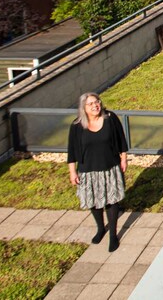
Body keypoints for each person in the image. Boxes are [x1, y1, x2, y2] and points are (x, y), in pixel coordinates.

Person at [67, 92, 128, 252]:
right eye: (91, 104)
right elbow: (72, 150)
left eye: (97, 102)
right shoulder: (77, 126)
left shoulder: (110, 118)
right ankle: (101, 228)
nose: (95, 106)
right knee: (93, 201)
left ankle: (113, 235)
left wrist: (123, 158)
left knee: (112, 201)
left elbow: (121, 139)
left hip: (110, 167)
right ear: (84, 108)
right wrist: (72, 171)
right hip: (88, 171)